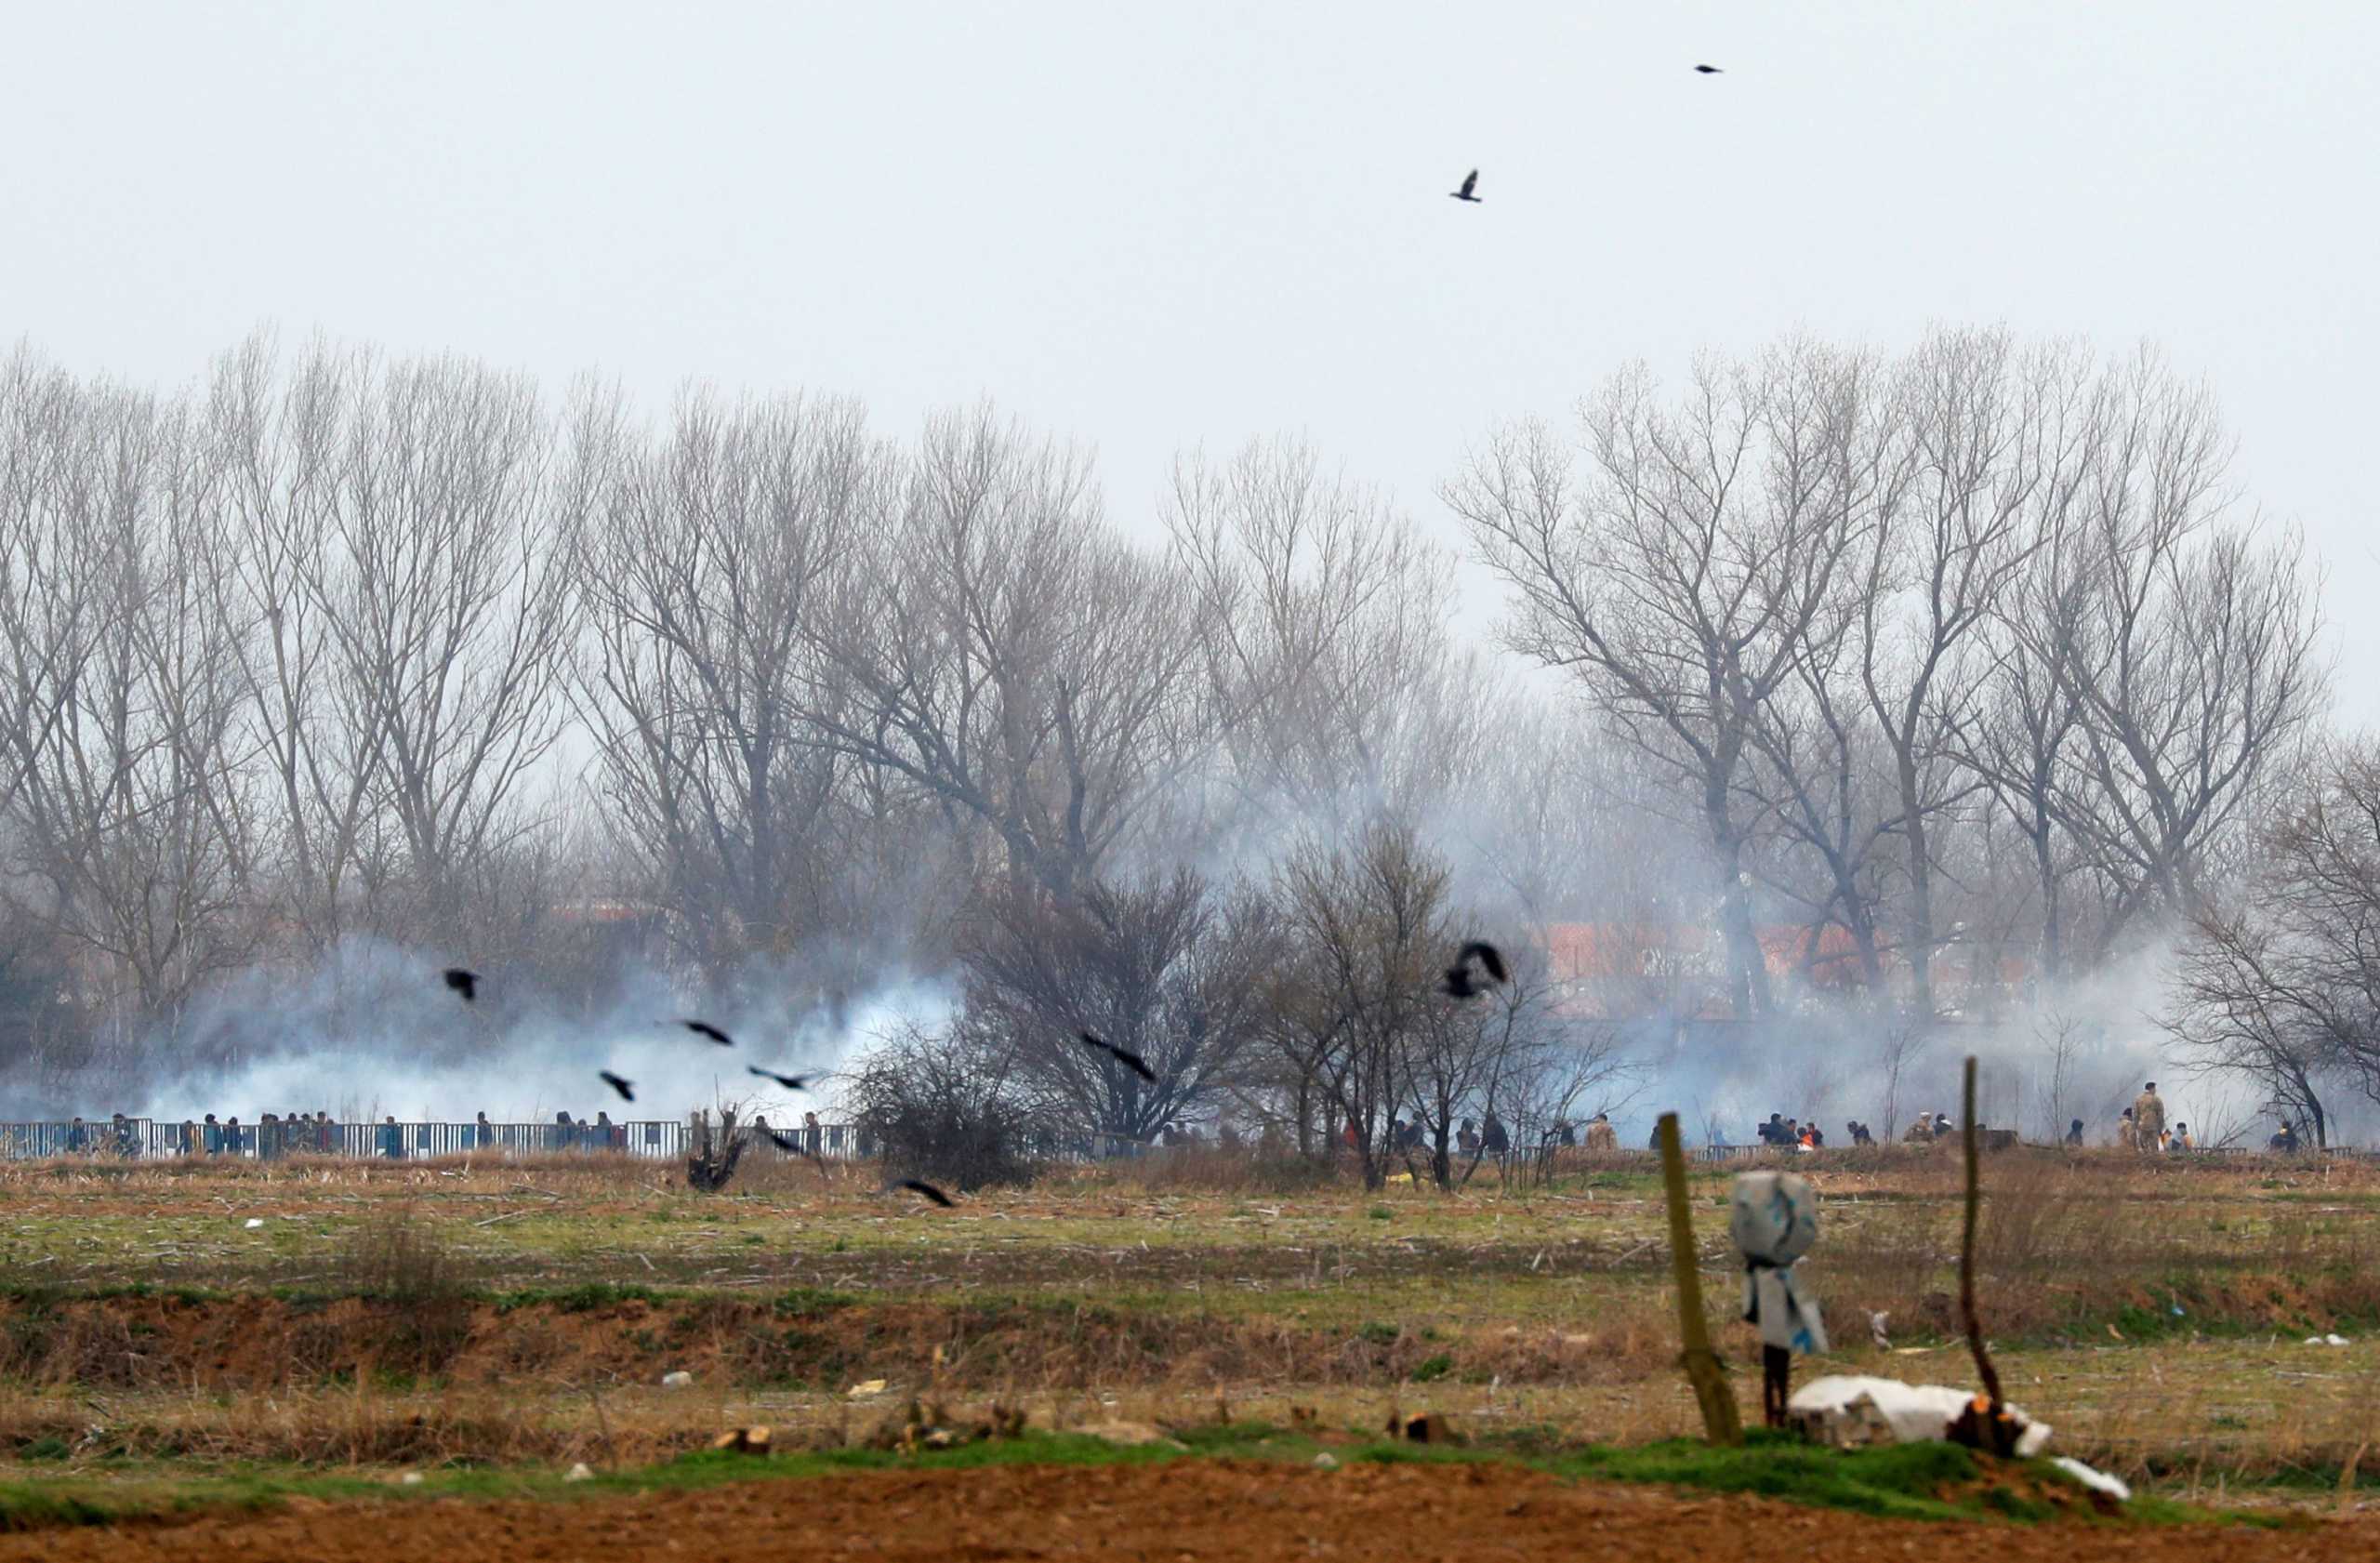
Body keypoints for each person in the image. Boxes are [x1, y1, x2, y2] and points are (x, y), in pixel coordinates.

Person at [2131, 1082, 2166, 1154]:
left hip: (2142, 1126)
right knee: (2154, 1148)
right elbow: (2160, 1114)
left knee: (2143, 1147)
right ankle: (2153, 1162)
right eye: (2155, 1089)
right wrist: (2160, 1127)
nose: (2155, 1090)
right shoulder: (2156, 1099)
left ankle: (2143, 1162)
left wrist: (2135, 1126)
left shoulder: (2138, 1099)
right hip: (2153, 1127)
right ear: (2152, 1089)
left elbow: (2135, 1114)